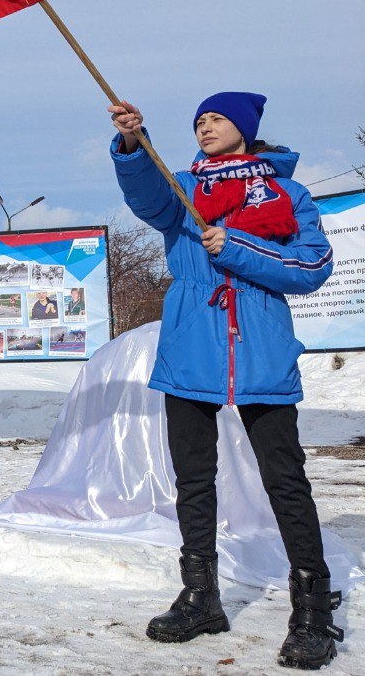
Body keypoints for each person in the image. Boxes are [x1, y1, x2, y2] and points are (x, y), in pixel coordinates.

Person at [110, 93, 341, 670]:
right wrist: (134, 145)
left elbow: (313, 267)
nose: (204, 126)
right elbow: (144, 198)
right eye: (198, 121)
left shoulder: (288, 195)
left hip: (260, 344)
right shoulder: (182, 187)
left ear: (244, 128)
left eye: (215, 118)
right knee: (193, 480)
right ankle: (200, 598)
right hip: (190, 346)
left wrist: (237, 245)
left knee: (285, 479)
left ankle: (312, 610)